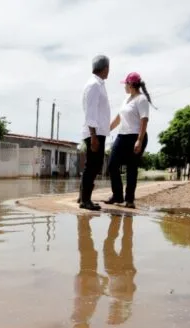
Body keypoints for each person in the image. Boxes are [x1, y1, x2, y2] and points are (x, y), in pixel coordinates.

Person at [104, 72, 153, 209]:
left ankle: (129, 199)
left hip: (135, 136)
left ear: (131, 84)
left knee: (132, 168)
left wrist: (139, 140)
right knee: (112, 164)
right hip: (122, 136)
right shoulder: (126, 99)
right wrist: (107, 130)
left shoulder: (141, 99)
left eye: (125, 84)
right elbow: (119, 118)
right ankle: (117, 195)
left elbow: (144, 120)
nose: (124, 86)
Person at [79, 55, 112, 211]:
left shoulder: (98, 84)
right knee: (92, 165)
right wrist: (93, 136)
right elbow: (90, 112)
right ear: (105, 68)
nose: (109, 71)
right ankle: (85, 200)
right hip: (95, 131)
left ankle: (83, 197)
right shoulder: (94, 85)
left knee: (93, 165)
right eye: (108, 68)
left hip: (97, 131)